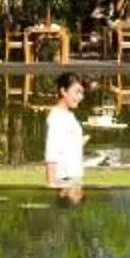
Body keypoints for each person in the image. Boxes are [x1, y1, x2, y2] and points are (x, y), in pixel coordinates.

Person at [43, 71, 89, 199]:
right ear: (63, 91)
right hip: (64, 181)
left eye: (82, 93)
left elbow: (66, 146)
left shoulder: (68, 115)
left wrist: (79, 142)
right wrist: (52, 185)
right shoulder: (56, 117)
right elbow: (51, 154)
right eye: (77, 92)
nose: (80, 97)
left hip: (74, 178)